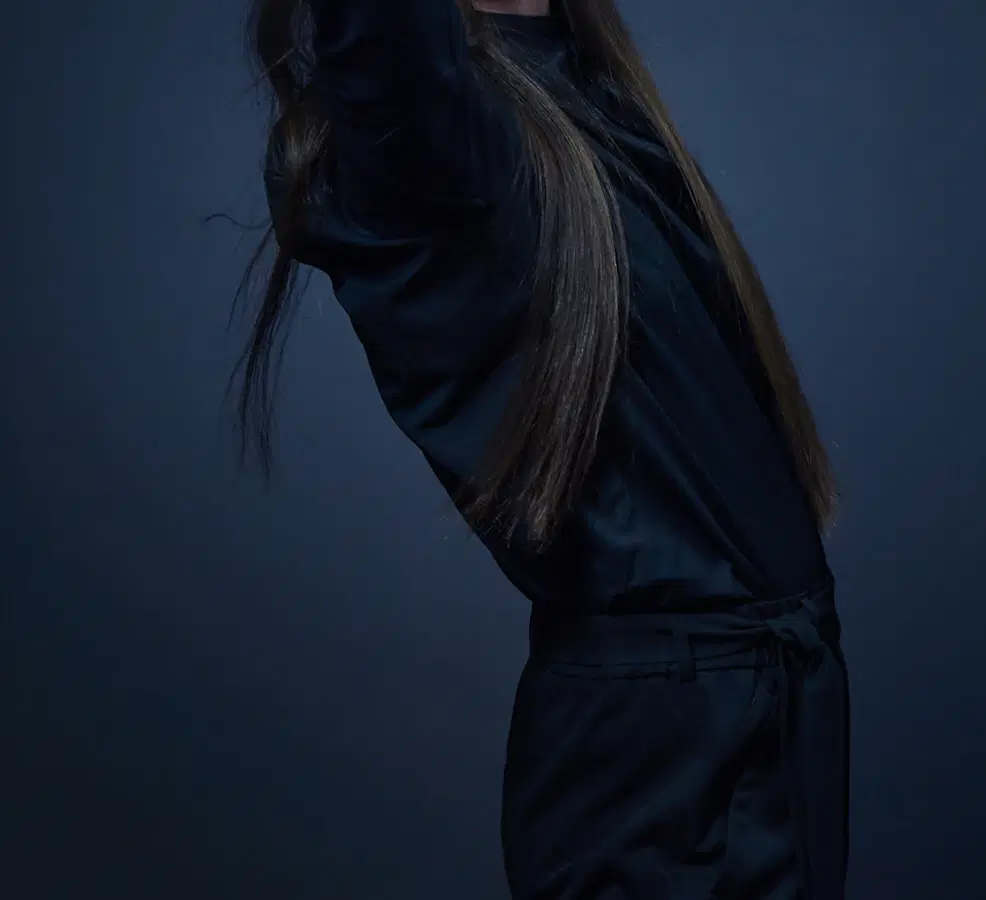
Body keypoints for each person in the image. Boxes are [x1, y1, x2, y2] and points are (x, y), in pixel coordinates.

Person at [236, 0, 850, 896]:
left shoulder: (584, 84)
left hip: (767, 724)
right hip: (656, 769)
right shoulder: (422, 136)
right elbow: (390, 51)